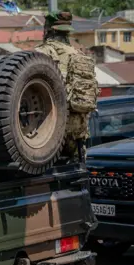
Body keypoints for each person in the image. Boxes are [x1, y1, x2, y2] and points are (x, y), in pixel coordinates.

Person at [35, 11, 99, 160]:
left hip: (50, 132)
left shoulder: (41, 53)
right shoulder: (79, 55)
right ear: (68, 32)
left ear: (48, 29)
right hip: (78, 131)